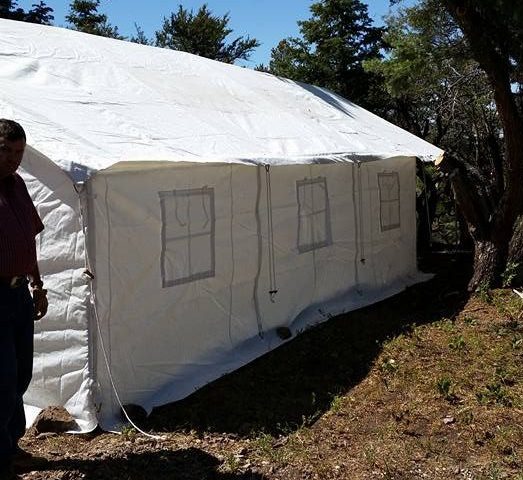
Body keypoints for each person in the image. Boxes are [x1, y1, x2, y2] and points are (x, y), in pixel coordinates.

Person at [0, 119, 48, 477]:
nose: (14, 159)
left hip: (19, 295)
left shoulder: (17, 186)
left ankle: (11, 444)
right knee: (3, 375)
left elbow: (28, 239)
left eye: (19, 152)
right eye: (7, 151)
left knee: (21, 374)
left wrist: (37, 285)